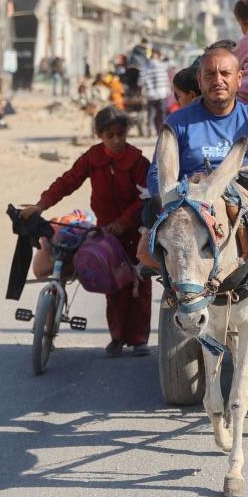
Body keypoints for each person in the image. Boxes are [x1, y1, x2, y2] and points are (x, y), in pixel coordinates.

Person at [19, 106, 152, 357]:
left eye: (120, 134)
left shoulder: (138, 162)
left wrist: (124, 222)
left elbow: (145, 198)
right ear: (99, 135)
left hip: (135, 231)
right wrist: (41, 205)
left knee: (139, 284)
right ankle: (117, 337)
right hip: (107, 233)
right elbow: (67, 182)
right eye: (110, 135)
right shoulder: (92, 157)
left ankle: (138, 339)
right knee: (114, 284)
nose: (116, 140)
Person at [146, 47, 248, 197]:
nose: (217, 80)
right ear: (199, 80)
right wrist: (183, 190)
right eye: (210, 74)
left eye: (225, 73)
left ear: (239, 78)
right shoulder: (177, 122)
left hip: (243, 205)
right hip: (189, 202)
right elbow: (156, 177)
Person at [141, 48, 171, 135]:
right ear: (158, 55)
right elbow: (170, 64)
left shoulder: (146, 67)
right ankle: (162, 130)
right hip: (161, 93)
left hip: (150, 94)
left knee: (151, 113)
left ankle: (150, 129)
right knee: (162, 113)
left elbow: (140, 81)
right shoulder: (162, 65)